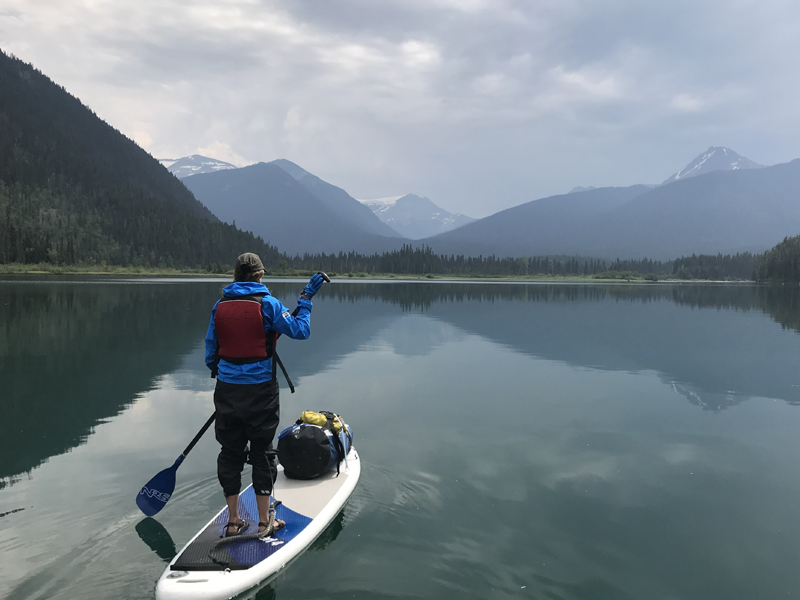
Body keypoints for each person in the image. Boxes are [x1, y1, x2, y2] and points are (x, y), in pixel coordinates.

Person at [205, 252, 325, 536]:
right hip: (261, 392)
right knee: (261, 452)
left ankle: (233, 522)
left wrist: (228, 377)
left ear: (235, 275)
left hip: (227, 390)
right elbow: (300, 330)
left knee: (230, 452)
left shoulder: (219, 306)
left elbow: (212, 352)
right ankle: (263, 521)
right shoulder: (269, 305)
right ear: (259, 276)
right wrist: (305, 300)